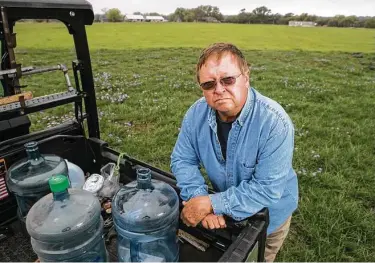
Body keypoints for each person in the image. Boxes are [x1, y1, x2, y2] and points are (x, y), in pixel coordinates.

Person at [170, 42, 299, 262]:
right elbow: (182, 159)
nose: (218, 90)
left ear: (246, 77)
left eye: (228, 80)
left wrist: (211, 203)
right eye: (209, 84)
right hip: (221, 210)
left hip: (267, 217)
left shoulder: (274, 122)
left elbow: (267, 189)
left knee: (260, 256)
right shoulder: (195, 114)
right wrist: (199, 198)